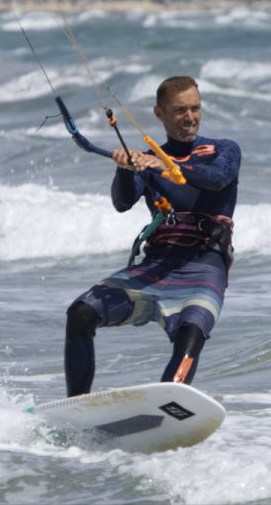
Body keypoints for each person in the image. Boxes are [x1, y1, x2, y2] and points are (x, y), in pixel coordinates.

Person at [63, 75, 240, 396]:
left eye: (195, 108)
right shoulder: (146, 161)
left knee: (191, 335)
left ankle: (168, 404)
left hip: (204, 266)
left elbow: (215, 180)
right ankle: (76, 408)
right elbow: (122, 202)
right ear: (160, 114)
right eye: (180, 110)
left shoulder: (222, 150)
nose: (190, 117)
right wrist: (125, 167)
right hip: (155, 266)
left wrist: (162, 163)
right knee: (80, 314)